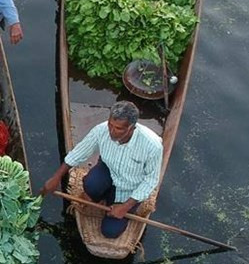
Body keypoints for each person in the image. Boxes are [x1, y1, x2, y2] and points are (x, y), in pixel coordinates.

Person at [40, 101, 162, 238]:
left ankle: (117, 203)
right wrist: (56, 177)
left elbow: (151, 180)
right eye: (110, 124)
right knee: (91, 184)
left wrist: (125, 207)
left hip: (129, 188)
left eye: (118, 128)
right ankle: (101, 194)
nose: (111, 131)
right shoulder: (101, 130)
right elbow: (78, 153)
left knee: (110, 232)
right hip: (108, 171)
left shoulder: (152, 145)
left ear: (131, 128)